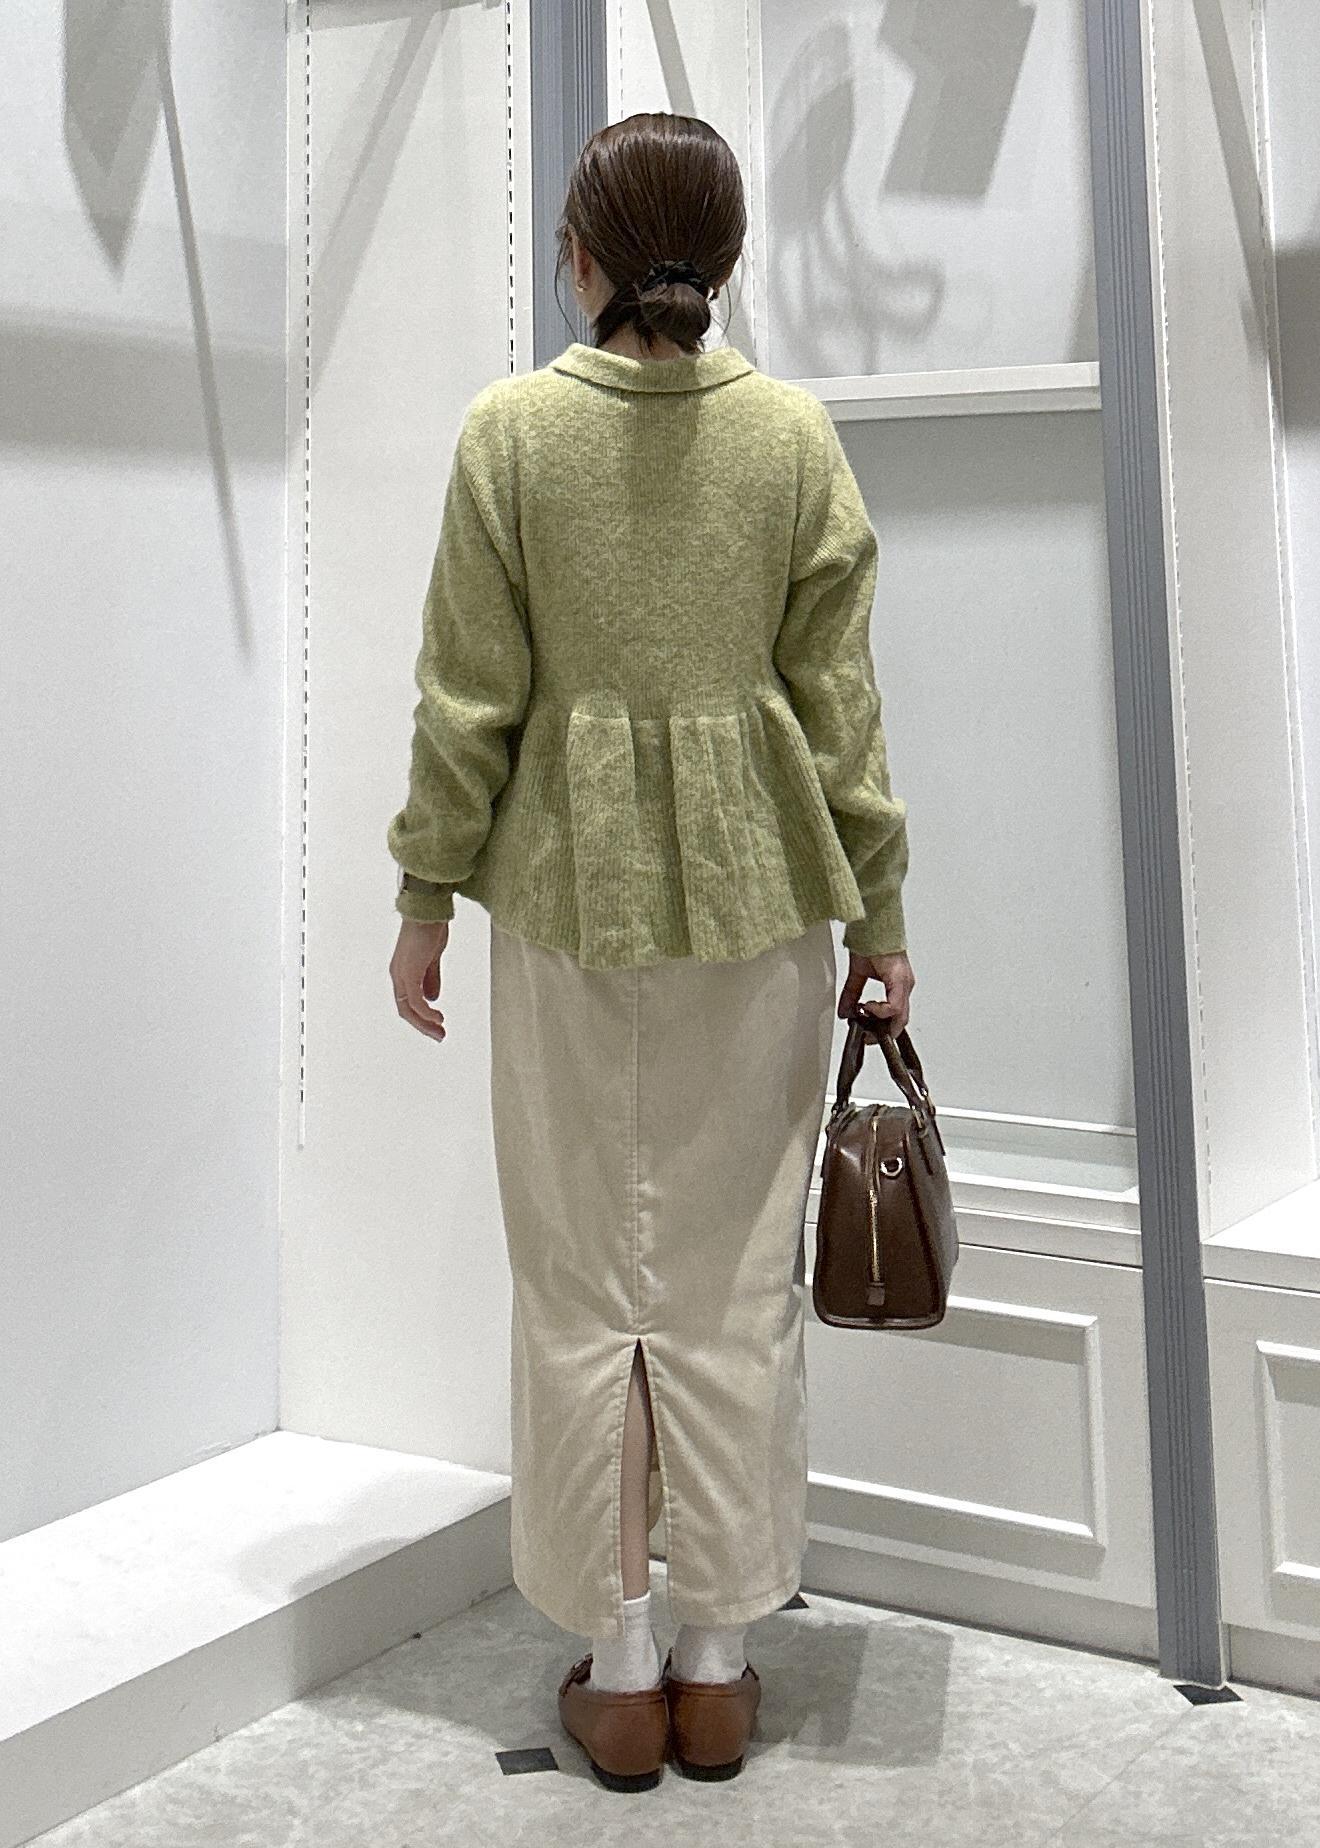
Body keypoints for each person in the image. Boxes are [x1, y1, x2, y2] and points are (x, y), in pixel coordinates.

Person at [385, 110, 914, 1792]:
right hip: (763, 915)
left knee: (581, 1288)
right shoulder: (793, 439)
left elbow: (467, 699)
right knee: (732, 1286)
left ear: (580, 256)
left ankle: (617, 1672)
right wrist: (882, 919)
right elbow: (842, 713)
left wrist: (423, 897)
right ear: (731, 255)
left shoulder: (510, 435)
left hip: (564, 909)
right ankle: (718, 1662)